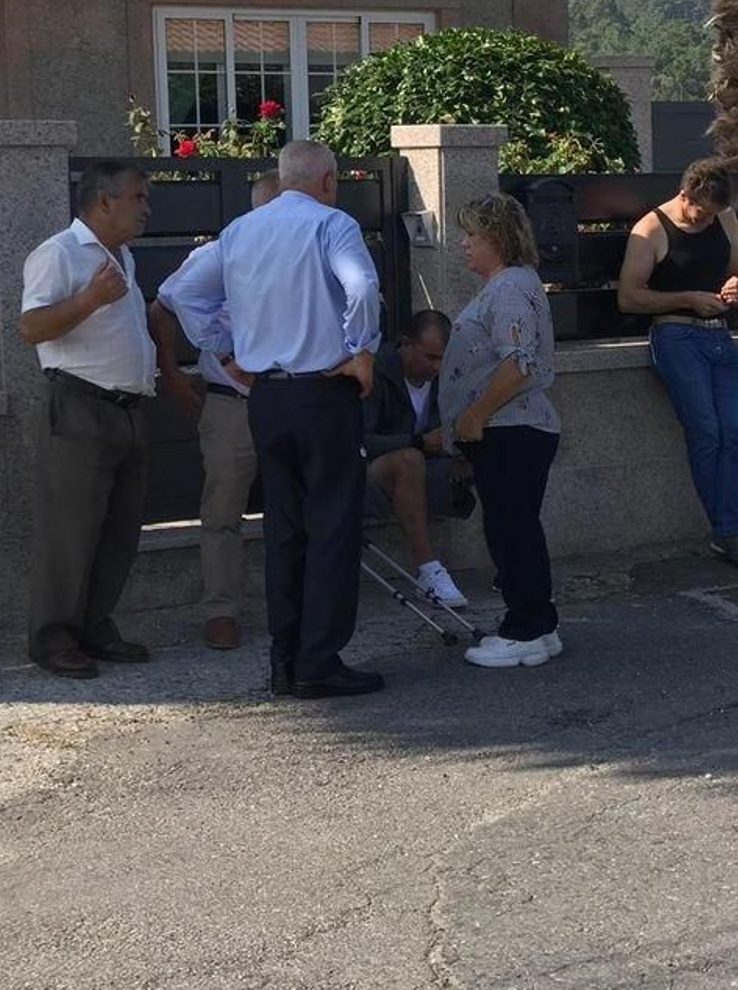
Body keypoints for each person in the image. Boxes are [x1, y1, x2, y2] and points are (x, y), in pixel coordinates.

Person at [164, 140, 384, 698]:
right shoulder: (332, 225)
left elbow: (178, 291)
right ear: (329, 180)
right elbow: (361, 286)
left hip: (265, 398)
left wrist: (227, 347)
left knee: (285, 528)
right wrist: (361, 349)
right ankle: (319, 660)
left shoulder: (240, 231)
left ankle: (283, 659)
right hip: (322, 391)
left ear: (283, 179)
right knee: (332, 525)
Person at [19, 160, 156, 679]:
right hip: (79, 407)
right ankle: (53, 640)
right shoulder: (58, 253)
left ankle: (95, 626)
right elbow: (31, 327)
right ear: (104, 201)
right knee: (70, 532)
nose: (146, 208)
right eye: (138, 197)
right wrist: (89, 299)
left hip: (126, 410)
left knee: (119, 530)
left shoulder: (121, 256)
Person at [149, 170, 281, 651]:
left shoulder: (309, 256)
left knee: (299, 504)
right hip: (232, 403)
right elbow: (163, 307)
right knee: (222, 510)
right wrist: (175, 371)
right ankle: (221, 610)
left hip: (292, 398)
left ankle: (299, 601)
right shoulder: (217, 256)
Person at [618, 157, 738, 571]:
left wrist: (736, 287)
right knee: (706, 432)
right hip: (676, 334)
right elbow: (628, 297)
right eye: (699, 214)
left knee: (737, 433)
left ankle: (730, 530)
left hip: (720, 335)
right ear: (685, 196)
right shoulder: (650, 230)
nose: (704, 222)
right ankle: (729, 532)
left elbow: (737, 276)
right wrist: (686, 298)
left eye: (713, 216)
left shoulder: (724, 217)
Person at [438, 192, 563, 671]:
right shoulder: (511, 283)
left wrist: (476, 415)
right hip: (516, 429)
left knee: (511, 529)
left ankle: (525, 629)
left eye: (472, 235)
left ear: (497, 238)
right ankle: (538, 623)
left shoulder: (509, 287)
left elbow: (519, 363)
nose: (464, 244)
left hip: (511, 427)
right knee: (517, 527)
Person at [364, 309, 474, 607]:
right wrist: (419, 442)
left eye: (443, 359)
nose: (437, 367)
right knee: (409, 459)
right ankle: (428, 571)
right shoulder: (375, 370)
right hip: (373, 474)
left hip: (430, 467)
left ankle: (511, 564)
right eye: (430, 357)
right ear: (405, 344)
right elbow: (359, 440)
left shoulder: (447, 375)